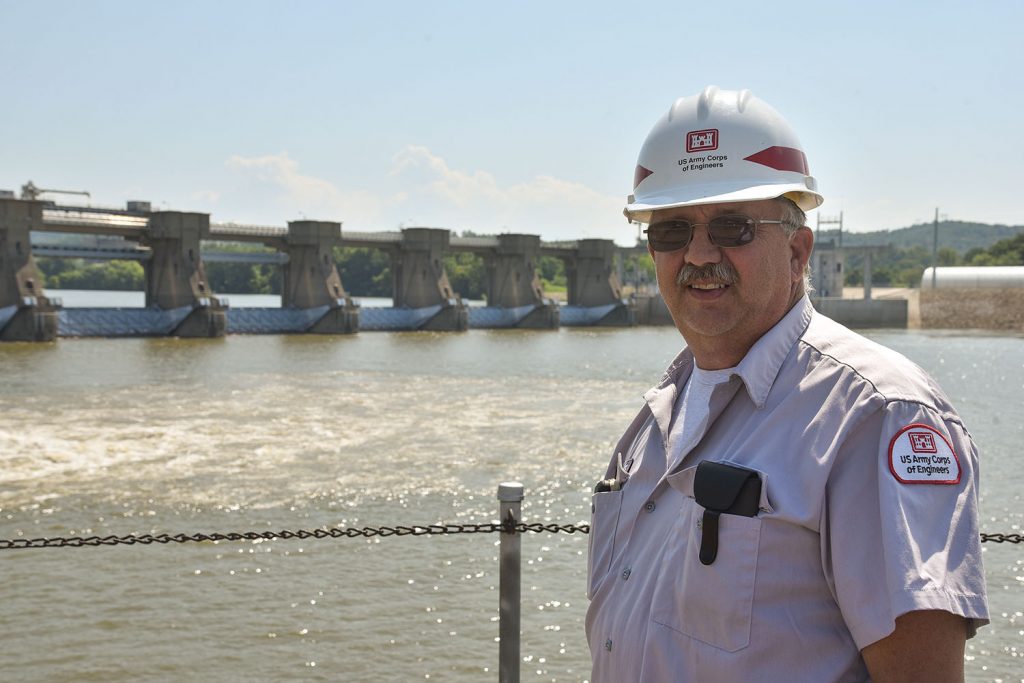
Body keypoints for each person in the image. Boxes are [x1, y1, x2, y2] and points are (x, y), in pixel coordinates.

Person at [585, 86, 989, 682]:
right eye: (670, 232)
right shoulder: (661, 412)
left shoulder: (876, 416)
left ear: (798, 248)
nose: (699, 254)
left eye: (732, 227)